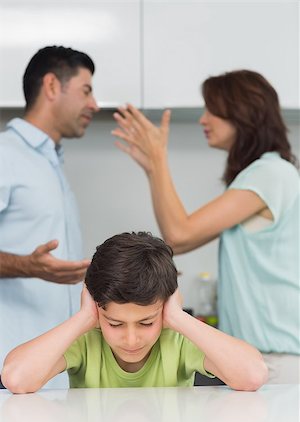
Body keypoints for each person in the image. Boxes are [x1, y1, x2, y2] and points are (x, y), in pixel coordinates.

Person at [111, 70, 300, 384]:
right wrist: (152, 169)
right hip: (265, 356)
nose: (203, 119)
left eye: (212, 109)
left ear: (243, 114)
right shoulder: (267, 172)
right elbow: (179, 239)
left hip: (278, 358)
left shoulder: (270, 172)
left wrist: (159, 158)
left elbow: (178, 235)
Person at [1, 232, 267, 393]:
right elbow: (16, 378)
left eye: (146, 322)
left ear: (166, 306)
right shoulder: (87, 338)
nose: (131, 340)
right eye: (115, 324)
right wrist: (83, 318)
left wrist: (177, 317)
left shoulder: (177, 338)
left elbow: (252, 375)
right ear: (96, 308)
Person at [0, 45, 99, 388]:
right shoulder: (5, 154)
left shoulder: (50, 163)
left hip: (53, 371)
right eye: (86, 90)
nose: (94, 105)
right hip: (10, 368)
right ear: (52, 86)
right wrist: (28, 266)